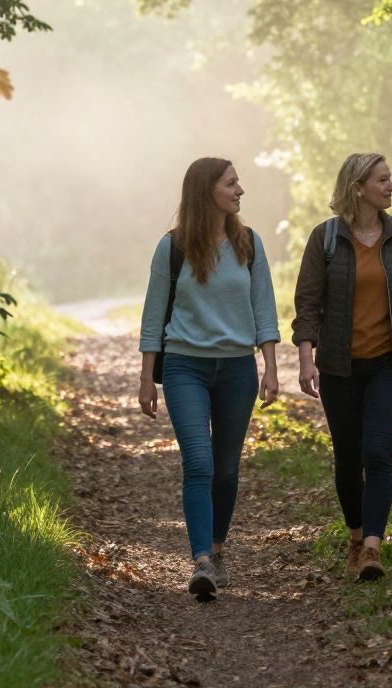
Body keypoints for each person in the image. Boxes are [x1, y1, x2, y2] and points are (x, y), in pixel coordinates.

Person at [138, 157, 280, 601]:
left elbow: (265, 310)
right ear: (207, 191)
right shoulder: (174, 247)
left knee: (227, 469)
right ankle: (200, 559)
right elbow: (152, 314)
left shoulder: (249, 244)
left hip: (238, 368)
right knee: (198, 463)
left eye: (238, 184)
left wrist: (271, 367)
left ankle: (217, 551)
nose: (240, 191)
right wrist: (147, 378)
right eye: (231, 184)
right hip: (184, 366)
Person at [293, 153, 392, 581]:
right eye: (383, 180)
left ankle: (373, 547)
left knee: (378, 454)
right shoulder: (326, 238)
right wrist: (306, 357)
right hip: (338, 367)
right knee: (347, 458)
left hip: (389, 364)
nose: (391, 186)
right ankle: (355, 538)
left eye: (390, 179)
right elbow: (308, 304)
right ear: (358, 187)